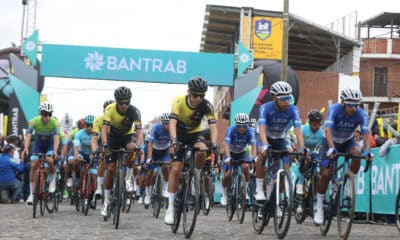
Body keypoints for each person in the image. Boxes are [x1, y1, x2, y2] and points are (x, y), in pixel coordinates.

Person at [314, 87, 374, 224]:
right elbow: (328, 130)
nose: (354, 108)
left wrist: (368, 151)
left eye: (356, 104)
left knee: (357, 153)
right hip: (330, 141)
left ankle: (346, 182)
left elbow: (366, 134)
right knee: (325, 174)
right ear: (343, 102)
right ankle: (319, 207)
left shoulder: (361, 114)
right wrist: (331, 148)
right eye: (351, 104)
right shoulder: (334, 109)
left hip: (348, 141)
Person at [165, 77, 218, 225]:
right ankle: (170, 208)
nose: (198, 98)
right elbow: (172, 123)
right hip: (180, 134)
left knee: (202, 150)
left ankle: (196, 174)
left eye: (202, 95)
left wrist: (214, 143)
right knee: (175, 170)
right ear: (189, 92)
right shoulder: (178, 101)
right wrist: (174, 140)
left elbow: (213, 126)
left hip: (195, 134)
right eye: (195, 95)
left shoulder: (207, 105)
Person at [255, 81, 306, 204]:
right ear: (274, 98)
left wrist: (302, 148)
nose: (286, 101)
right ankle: (259, 189)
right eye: (283, 98)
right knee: (262, 153)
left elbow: (298, 132)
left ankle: (277, 201)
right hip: (264, 136)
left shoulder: (293, 109)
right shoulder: (265, 108)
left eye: (288, 97)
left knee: (286, 166)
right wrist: (265, 145)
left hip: (280, 138)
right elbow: (261, 129)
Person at [100, 86, 143, 217]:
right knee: (111, 168)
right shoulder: (110, 109)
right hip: (113, 136)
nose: (124, 106)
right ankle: (106, 202)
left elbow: (139, 131)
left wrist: (138, 145)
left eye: (127, 102)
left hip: (127, 136)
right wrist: (105, 144)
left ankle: (128, 178)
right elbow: (104, 129)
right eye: (121, 103)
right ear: (116, 101)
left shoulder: (135, 111)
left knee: (132, 148)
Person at [21, 102, 60, 204]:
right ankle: (32, 194)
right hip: (38, 145)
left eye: (49, 114)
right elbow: (28, 136)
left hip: (50, 145)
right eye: (44, 114)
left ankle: (52, 179)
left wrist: (55, 151)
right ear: (40, 113)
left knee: (49, 159)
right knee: (33, 165)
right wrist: (25, 148)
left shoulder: (54, 123)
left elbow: (56, 138)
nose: (47, 117)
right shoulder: (33, 121)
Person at [220, 113, 256, 206]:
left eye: (244, 126)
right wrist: (228, 157)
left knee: (245, 167)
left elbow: (253, 146)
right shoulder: (231, 129)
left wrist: (254, 157)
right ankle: (223, 194)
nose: (242, 128)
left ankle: (245, 189)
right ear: (236, 124)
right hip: (230, 152)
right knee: (227, 175)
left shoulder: (250, 131)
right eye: (239, 126)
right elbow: (226, 145)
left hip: (242, 153)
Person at [296, 109, 324, 214]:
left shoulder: (321, 134)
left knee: (318, 170)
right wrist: (303, 152)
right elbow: (299, 143)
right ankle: (300, 190)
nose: (316, 125)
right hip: (303, 150)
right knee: (303, 164)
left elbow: (321, 148)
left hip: (314, 152)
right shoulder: (304, 130)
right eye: (314, 123)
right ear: (310, 122)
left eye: (318, 123)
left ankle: (316, 201)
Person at [144, 113, 171, 205]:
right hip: (154, 151)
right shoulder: (156, 128)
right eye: (165, 124)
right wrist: (149, 157)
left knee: (166, 167)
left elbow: (174, 145)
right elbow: (150, 144)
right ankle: (147, 194)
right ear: (162, 123)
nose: (167, 126)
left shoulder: (173, 129)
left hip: (165, 151)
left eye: (169, 124)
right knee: (150, 172)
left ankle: (165, 187)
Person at [91, 99, 114, 198]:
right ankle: (99, 188)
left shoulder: (118, 119)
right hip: (104, 142)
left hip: (116, 141)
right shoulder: (98, 120)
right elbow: (94, 139)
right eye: (106, 110)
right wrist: (94, 151)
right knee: (102, 160)